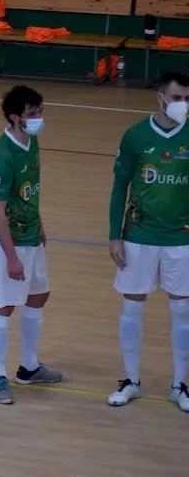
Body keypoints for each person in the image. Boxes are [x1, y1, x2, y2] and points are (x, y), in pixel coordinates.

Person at [106, 71, 189, 412]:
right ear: (160, 98)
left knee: (183, 311)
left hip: (181, 237)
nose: (183, 104)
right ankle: (131, 381)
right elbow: (119, 187)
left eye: (187, 99)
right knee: (132, 307)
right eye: (177, 98)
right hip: (138, 235)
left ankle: (180, 386)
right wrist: (114, 235)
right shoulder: (135, 136)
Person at [0, 85, 62, 404]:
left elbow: (29, 190)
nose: (39, 117)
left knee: (39, 295)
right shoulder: (1, 156)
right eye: (32, 113)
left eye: (40, 111)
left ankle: (28, 367)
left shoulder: (32, 141)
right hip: (7, 243)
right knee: (4, 305)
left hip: (30, 236)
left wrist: (39, 223)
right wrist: (11, 257)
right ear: (15, 117)